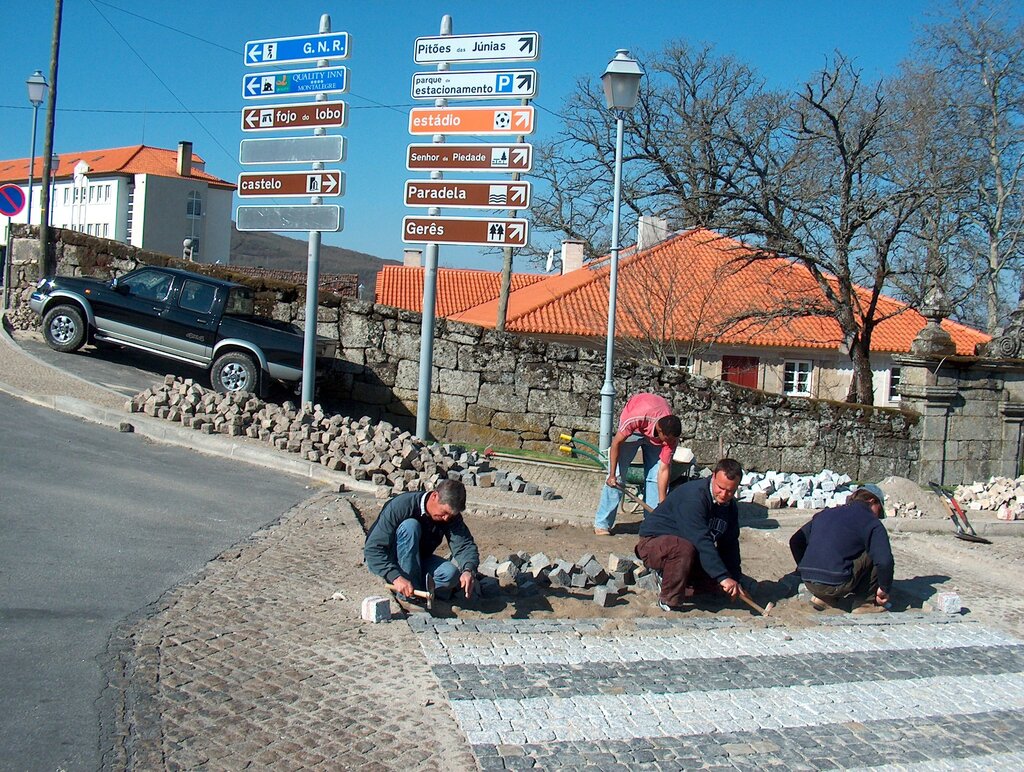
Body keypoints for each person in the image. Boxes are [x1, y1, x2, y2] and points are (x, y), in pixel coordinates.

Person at [635, 458, 744, 611]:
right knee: (683, 547)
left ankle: (681, 581)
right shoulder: (694, 498)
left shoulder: (730, 507)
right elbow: (701, 540)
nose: (724, 494)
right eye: (720, 488)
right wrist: (723, 577)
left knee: (713, 585)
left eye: (730, 491)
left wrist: (734, 578)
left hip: (691, 549)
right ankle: (668, 598)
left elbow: (730, 544)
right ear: (713, 477)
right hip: (654, 545)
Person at [364, 479, 479, 602]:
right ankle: (407, 598)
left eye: (450, 515)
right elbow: (373, 548)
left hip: (419, 561)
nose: (446, 518)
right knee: (410, 526)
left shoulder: (450, 517)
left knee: (450, 574)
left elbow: (464, 545)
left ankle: (415, 589)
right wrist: (395, 576)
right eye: (444, 512)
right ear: (435, 496)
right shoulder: (401, 506)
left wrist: (468, 570)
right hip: (390, 561)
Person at [788, 483, 894, 614]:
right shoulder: (871, 522)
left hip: (809, 581)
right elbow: (885, 561)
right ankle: (865, 603)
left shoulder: (827, 513)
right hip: (836, 583)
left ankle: (825, 599)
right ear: (872, 501)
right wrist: (884, 588)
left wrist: (805, 567)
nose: (878, 516)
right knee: (875, 550)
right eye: (879, 511)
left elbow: (795, 541)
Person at [593, 393, 682, 535]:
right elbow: (616, 443)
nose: (666, 444)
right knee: (617, 477)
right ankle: (602, 524)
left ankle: (652, 527)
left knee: (654, 479)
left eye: (669, 441)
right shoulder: (635, 417)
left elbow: (663, 470)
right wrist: (611, 475)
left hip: (654, 427)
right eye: (665, 440)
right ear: (659, 431)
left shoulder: (670, 438)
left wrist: (662, 503)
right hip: (634, 431)